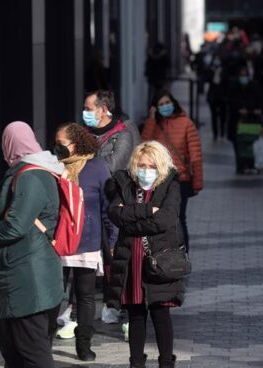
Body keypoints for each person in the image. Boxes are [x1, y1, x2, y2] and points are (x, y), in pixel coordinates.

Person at [0, 121, 64, 367]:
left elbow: (14, 227)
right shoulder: (30, 172)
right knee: (14, 352)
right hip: (22, 280)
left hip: (28, 283)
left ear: (9, 145)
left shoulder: (31, 176)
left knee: (33, 355)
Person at [105, 141, 186, 368]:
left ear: (160, 167)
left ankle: (166, 362)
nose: (145, 170)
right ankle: (136, 363)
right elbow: (115, 213)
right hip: (131, 260)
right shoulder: (126, 184)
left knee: (161, 316)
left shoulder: (170, 186)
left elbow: (167, 219)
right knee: (136, 316)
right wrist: (147, 210)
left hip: (158, 260)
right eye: (141, 165)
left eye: (151, 166)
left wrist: (132, 223)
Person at [53, 123, 119, 361]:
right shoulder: (55, 167)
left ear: (76, 143)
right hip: (57, 241)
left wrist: (112, 239)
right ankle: (44, 341)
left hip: (87, 241)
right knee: (52, 294)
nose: (57, 148)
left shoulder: (97, 168)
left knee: (85, 295)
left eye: (61, 144)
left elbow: (107, 207)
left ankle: (84, 345)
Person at [82, 90, 140, 328]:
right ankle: (75, 308)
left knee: (113, 255)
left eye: (88, 108)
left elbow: (111, 167)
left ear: (103, 110)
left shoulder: (122, 136)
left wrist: (83, 164)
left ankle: (113, 303)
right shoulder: (82, 133)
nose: (84, 113)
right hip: (87, 203)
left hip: (113, 203)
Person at [142, 89, 204, 252]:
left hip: (180, 179)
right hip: (159, 181)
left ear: (174, 103)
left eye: (167, 103)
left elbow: (195, 154)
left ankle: (182, 255)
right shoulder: (155, 124)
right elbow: (144, 147)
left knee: (178, 218)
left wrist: (197, 182)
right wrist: (151, 119)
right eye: (161, 105)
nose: (165, 107)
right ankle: (164, 255)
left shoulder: (186, 123)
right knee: (159, 218)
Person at [227, 66, 263, 172]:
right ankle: (241, 165)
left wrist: (252, 110)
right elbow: (231, 102)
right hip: (237, 121)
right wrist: (238, 109)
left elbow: (259, 101)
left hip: (252, 121)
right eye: (241, 75)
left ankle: (251, 164)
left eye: (245, 75)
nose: (243, 78)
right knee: (238, 143)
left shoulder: (254, 87)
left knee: (251, 142)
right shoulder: (234, 87)